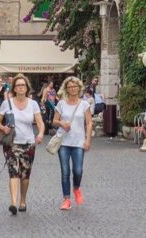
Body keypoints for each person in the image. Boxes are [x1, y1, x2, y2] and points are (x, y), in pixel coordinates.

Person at [0, 73, 44, 215]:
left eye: (23, 85)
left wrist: (39, 134)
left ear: (27, 88)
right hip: (12, 143)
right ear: (14, 88)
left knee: (25, 175)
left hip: (28, 143)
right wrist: (3, 128)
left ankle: (23, 200)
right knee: (14, 172)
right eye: (18, 85)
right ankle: (13, 202)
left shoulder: (33, 104)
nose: (21, 87)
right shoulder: (6, 103)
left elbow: (40, 123)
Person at [53, 76, 93, 210]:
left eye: (75, 86)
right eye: (70, 87)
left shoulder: (84, 104)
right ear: (67, 89)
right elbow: (54, 121)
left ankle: (76, 188)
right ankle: (66, 199)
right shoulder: (61, 104)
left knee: (78, 170)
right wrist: (61, 123)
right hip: (63, 142)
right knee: (65, 171)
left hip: (78, 142)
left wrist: (88, 140)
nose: (73, 89)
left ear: (79, 88)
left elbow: (89, 123)